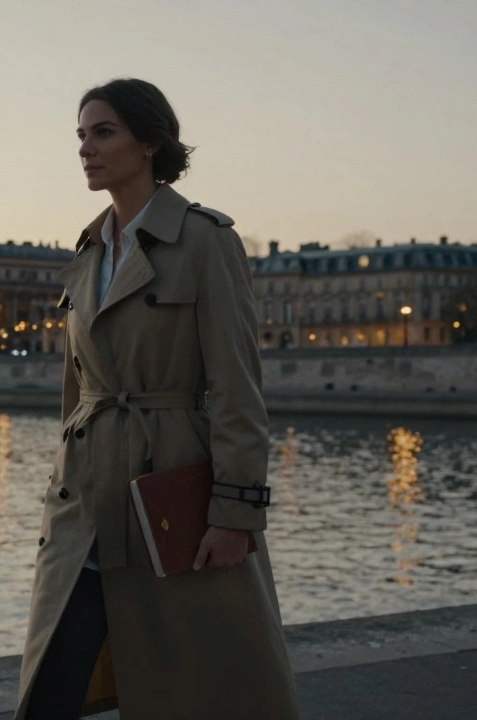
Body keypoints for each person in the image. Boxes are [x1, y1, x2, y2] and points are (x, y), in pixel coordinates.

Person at [15, 78, 299, 719]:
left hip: (170, 490)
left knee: (190, 685)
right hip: (85, 499)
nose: (86, 148)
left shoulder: (205, 241)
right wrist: (60, 484)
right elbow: (78, 390)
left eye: (103, 132)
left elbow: (235, 386)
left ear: (149, 143)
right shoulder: (87, 252)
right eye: (81, 135)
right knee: (51, 683)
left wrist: (236, 512)